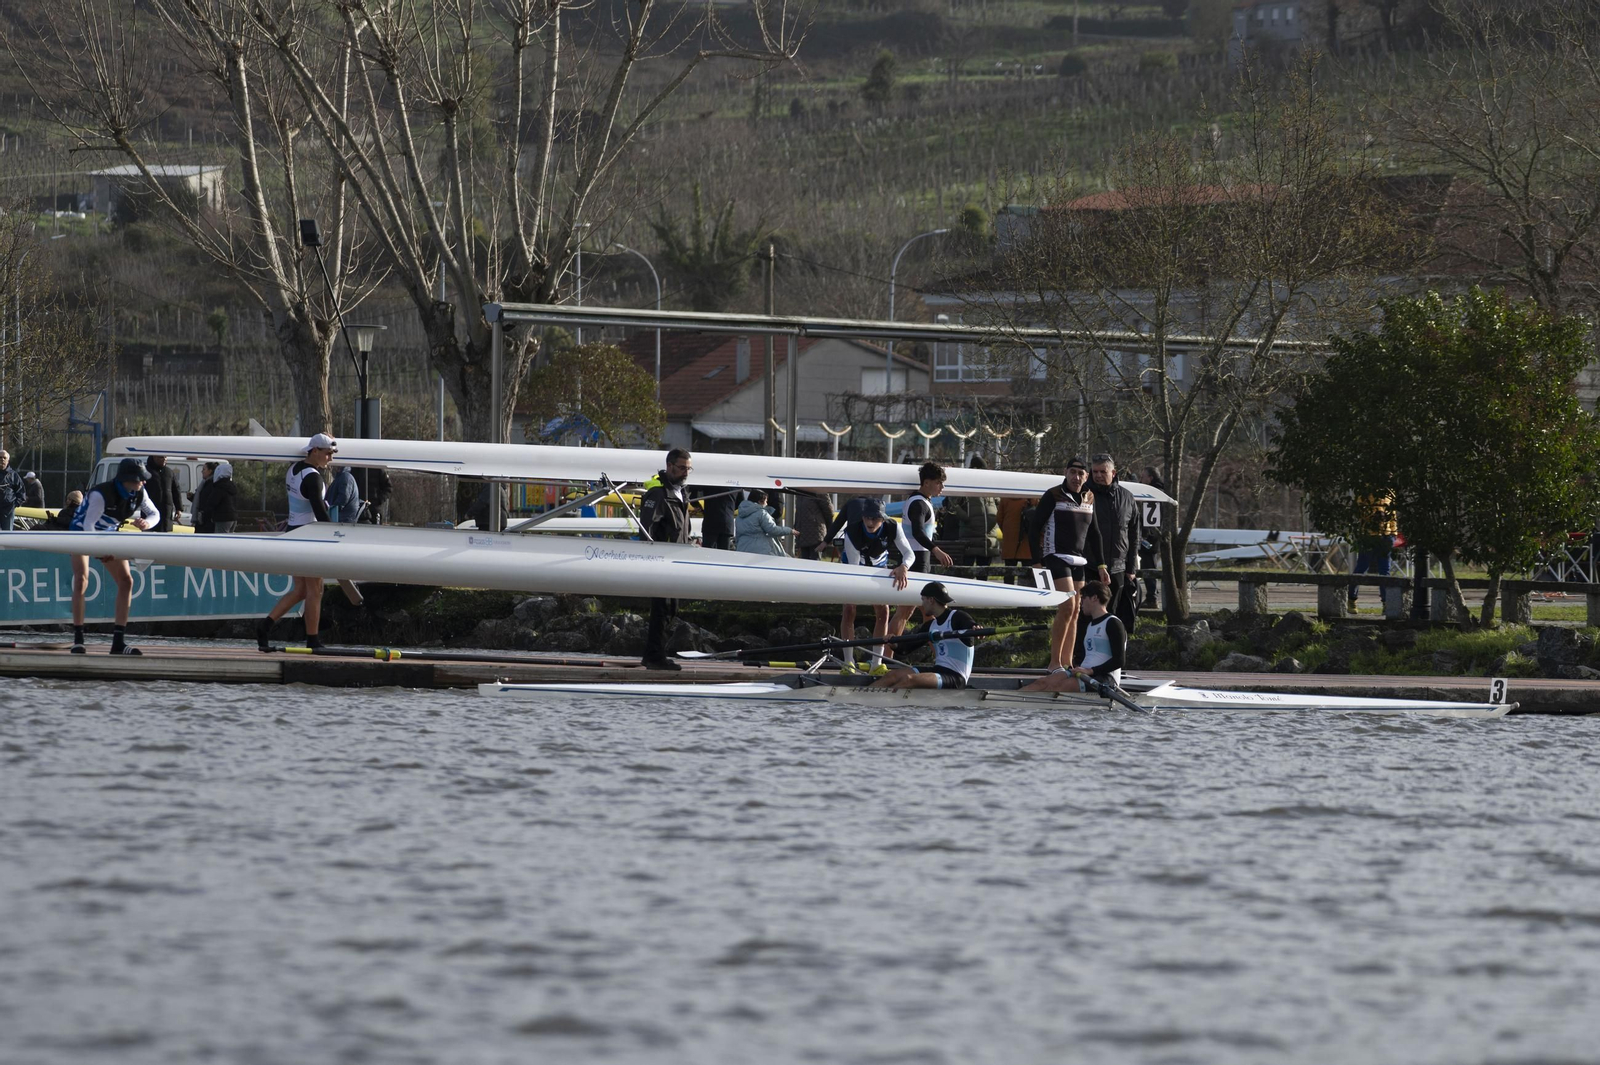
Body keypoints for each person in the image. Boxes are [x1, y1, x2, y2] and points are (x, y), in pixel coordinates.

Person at [68, 458, 158, 655]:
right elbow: (89, 526)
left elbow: (155, 514)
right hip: (81, 532)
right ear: (128, 479)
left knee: (126, 581)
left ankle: (118, 642)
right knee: (82, 579)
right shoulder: (101, 494)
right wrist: (99, 553)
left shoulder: (139, 492)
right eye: (139, 479)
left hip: (109, 535)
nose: (143, 483)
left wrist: (146, 524)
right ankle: (78, 640)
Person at [257, 433, 337, 652]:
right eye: (328, 454)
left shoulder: (293, 470)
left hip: (293, 532)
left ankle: (265, 626)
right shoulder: (313, 478)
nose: (330, 458)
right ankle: (313, 640)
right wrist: (337, 536)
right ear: (314, 451)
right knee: (316, 589)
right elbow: (320, 513)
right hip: (308, 537)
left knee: (301, 589)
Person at [1027, 456, 1105, 673]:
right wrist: (1036, 561)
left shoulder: (1090, 497)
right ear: (1066, 473)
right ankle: (1054, 663)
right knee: (1067, 606)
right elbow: (1034, 529)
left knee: (1077, 611)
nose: (1076, 477)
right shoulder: (1053, 495)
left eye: (1080, 474)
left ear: (1086, 477)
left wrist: (1102, 565)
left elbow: (1095, 533)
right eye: (1072, 472)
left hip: (1078, 559)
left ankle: (1067, 662)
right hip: (1055, 556)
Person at [838, 498, 913, 672]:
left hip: (879, 568)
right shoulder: (853, 531)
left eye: (875, 518)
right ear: (862, 517)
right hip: (855, 568)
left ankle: (876, 664)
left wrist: (904, 566)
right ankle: (848, 662)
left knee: (883, 611)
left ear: (883, 519)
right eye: (867, 518)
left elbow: (909, 553)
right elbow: (855, 568)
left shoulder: (893, 527)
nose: (870, 522)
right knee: (849, 609)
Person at [888, 462, 954, 649]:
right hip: (917, 561)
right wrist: (936, 549)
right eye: (939, 483)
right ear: (926, 483)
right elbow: (918, 532)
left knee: (912, 612)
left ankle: (886, 656)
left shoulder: (920, 501)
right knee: (923, 613)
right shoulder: (918, 504)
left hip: (918, 560)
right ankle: (886, 656)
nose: (942, 487)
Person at [639, 448, 694, 670]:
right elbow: (648, 527)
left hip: (677, 559)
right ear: (670, 466)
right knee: (661, 608)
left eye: (689, 468)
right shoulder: (659, 494)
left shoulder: (681, 492)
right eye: (682, 468)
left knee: (671, 607)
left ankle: (655, 653)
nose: (686, 472)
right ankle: (654, 656)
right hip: (662, 560)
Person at [867, 582, 979, 690]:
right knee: (892, 675)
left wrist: (975, 628)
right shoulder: (931, 625)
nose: (922, 604)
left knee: (909, 679)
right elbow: (906, 649)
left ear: (931, 600)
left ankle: (885, 701)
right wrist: (894, 644)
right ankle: (864, 699)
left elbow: (970, 629)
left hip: (956, 677)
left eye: (923, 600)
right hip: (938, 670)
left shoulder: (957, 617)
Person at [1021, 581, 1126, 692]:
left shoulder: (1113, 623)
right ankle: (1008, 704)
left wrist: (1091, 671)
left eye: (1083, 598)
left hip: (1105, 678)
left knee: (1056, 688)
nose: (1081, 602)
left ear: (1094, 598)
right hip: (1084, 673)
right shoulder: (1090, 625)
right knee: (1041, 683)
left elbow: (1119, 661)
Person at [1088, 453, 1141, 632]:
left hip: (1118, 566)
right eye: (1095, 471)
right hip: (1089, 565)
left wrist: (1131, 568)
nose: (1098, 475)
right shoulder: (1084, 494)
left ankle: (1112, 653)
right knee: (1086, 616)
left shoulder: (1127, 497)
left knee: (1113, 615)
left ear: (1113, 472)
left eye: (1103, 471)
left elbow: (1134, 534)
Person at [1349, 493, 1398, 611]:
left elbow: (1393, 514)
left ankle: (1386, 603)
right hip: (1368, 535)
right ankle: (1351, 599)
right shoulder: (1365, 491)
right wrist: (1373, 516)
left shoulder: (1390, 492)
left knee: (1385, 570)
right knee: (1361, 568)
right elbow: (1359, 512)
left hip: (1386, 535)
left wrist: (1393, 533)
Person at [734, 488, 794, 555]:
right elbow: (772, 529)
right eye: (766, 501)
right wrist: (789, 530)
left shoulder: (739, 516)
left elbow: (737, 537)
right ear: (760, 502)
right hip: (761, 550)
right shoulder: (762, 513)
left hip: (742, 550)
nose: (766, 504)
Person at [1140, 466, 1165, 608]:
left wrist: (1145, 536)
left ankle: (1151, 598)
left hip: (1150, 539)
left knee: (1148, 567)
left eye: (1143, 477)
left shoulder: (1153, 494)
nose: (1141, 480)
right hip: (1154, 538)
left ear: (1150, 478)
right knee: (1149, 566)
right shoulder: (1160, 492)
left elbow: (1150, 520)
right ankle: (1151, 596)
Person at [996, 495, 1034, 584]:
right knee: (1027, 573)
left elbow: (999, 518)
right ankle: (1026, 592)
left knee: (1009, 573)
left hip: (1010, 542)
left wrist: (1007, 532)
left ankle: (1008, 594)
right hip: (1026, 540)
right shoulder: (1032, 498)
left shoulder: (1005, 499)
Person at [792, 489, 834, 561]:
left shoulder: (819, 491)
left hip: (815, 533)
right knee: (804, 561)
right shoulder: (800, 492)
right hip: (803, 533)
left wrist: (829, 531)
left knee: (815, 560)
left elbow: (829, 511)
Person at [693, 486, 738, 550]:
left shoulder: (711, 481)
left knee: (708, 552)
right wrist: (730, 509)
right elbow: (740, 501)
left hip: (710, 520)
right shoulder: (734, 484)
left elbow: (694, 489)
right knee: (724, 554)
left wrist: (696, 505)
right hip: (727, 522)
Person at [144, 455, 179, 532]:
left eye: (166, 457)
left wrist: (178, 508)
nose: (164, 459)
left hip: (166, 512)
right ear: (154, 457)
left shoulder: (169, 472)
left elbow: (176, 490)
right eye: (161, 457)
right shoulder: (146, 471)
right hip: (150, 510)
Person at [207, 462, 238, 533]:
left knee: (221, 540)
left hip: (223, 518)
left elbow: (212, 502)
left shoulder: (220, 486)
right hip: (233, 517)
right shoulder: (231, 485)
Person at [0, 449, 22, 531]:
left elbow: (21, 492)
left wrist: (14, 505)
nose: (2, 459)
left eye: (4, 458)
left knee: (7, 533)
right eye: (0, 457)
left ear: (8, 460)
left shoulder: (14, 475)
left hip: (8, 511)